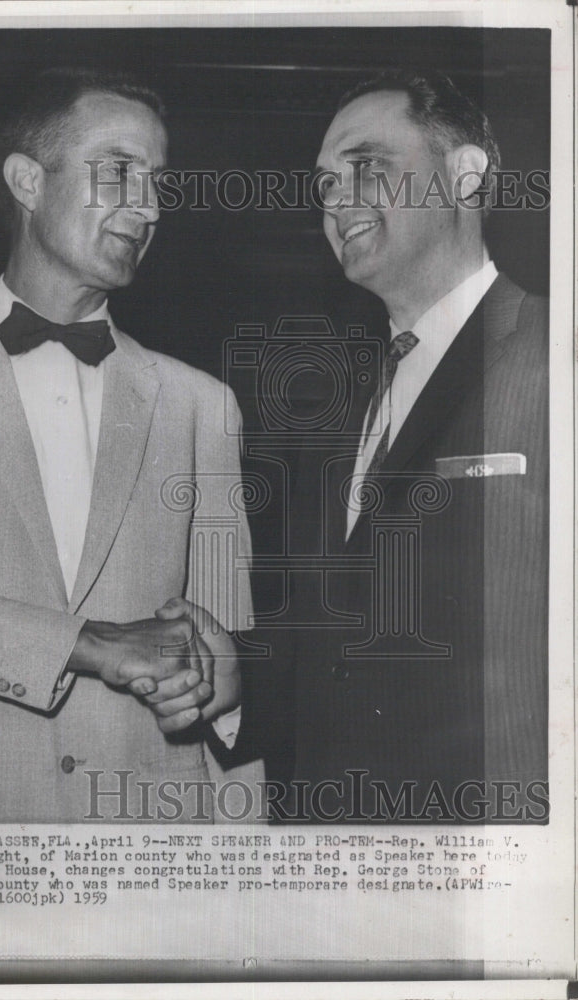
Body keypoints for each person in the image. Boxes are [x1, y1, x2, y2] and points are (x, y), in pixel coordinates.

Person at [174, 69, 549, 822]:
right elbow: (340, 636)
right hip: (335, 872)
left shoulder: (554, 352)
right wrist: (236, 669)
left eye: (365, 166)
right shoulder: (340, 402)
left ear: (465, 175)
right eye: (322, 186)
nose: (335, 201)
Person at [0, 68, 256, 823]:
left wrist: (221, 684)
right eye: (120, 172)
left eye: (157, 182)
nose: (150, 207)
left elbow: (226, 648)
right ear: (27, 180)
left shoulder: (202, 405)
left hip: (151, 844)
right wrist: (93, 644)